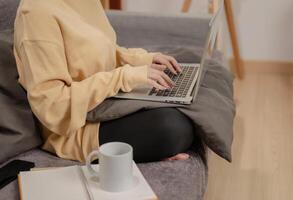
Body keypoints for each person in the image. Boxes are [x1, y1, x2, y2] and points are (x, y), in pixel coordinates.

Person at [13, 0, 195, 163]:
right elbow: (53, 106)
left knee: (193, 91)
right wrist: (124, 77)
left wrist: (145, 60)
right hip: (75, 128)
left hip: (107, 100)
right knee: (172, 128)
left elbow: (102, 50)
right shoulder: (36, 12)